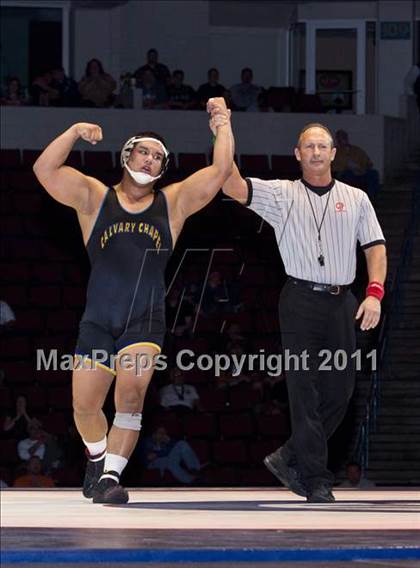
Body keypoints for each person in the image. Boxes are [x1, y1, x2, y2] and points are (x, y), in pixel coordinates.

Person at [33, 97, 233, 504]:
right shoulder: (94, 199)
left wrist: (222, 123)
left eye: (158, 157)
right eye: (144, 151)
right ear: (128, 154)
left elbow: (219, 171)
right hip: (97, 320)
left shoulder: (172, 204)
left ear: (163, 169)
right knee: (85, 407)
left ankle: (109, 477)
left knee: (131, 395)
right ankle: (96, 456)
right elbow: (44, 170)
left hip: (146, 320)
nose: (149, 160)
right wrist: (73, 132)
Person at [220, 121, 386, 503]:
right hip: (299, 301)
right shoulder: (281, 194)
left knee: (341, 392)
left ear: (333, 153)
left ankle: (288, 455)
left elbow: (375, 247)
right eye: (307, 146)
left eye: (321, 146)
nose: (314, 152)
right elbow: (231, 184)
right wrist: (222, 130)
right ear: (297, 154)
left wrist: (374, 293)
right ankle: (315, 478)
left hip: (343, 302)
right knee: (304, 390)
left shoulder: (356, 198)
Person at [333, 130, 380, 199]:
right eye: (339, 138)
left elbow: (369, 163)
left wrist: (362, 169)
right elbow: (333, 167)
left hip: (361, 172)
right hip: (345, 174)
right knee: (347, 174)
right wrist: (345, 169)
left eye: (343, 137)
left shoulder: (357, 150)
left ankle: (370, 198)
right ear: (337, 139)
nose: (342, 140)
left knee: (374, 173)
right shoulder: (334, 152)